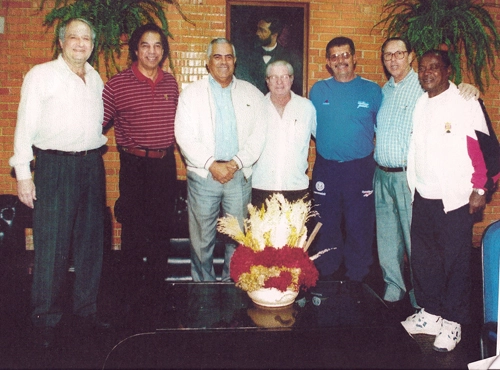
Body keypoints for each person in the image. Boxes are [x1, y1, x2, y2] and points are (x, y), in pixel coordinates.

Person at [9, 18, 109, 349]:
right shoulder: (41, 76)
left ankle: (85, 311)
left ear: (92, 44)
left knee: (90, 244)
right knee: (51, 245)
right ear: (61, 41)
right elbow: (24, 126)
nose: (80, 44)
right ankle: (44, 319)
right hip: (54, 166)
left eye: (86, 39)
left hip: (91, 165)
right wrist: (23, 173)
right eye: (73, 38)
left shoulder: (94, 78)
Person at [401, 49, 500, 352]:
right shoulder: (420, 103)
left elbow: (488, 150)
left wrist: (481, 189)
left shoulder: (465, 102)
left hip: (456, 200)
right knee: (425, 260)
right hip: (424, 197)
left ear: (447, 71)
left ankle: (453, 323)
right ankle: (430, 314)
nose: (426, 73)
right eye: (422, 68)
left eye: (434, 68)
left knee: (456, 263)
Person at [374, 37, 480, 312]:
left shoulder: (423, 89)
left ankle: (422, 301)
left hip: (413, 179)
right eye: (387, 55)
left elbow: (475, 137)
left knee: (419, 245)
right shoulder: (384, 91)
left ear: (410, 56)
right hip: (386, 175)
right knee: (389, 240)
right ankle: (395, 286)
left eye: (399, 53)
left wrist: (469, 89)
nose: (393, 59)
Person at [175, 38, 266, 282]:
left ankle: (232, 286)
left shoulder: (252, 93)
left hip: (238, 176)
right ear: (208, 62)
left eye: (228, 57)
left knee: (238, 237)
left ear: (235, 61)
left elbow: (259, 135)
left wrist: (235, 163)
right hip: (204, 176)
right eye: (217, 56)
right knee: (202, 239)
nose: (223, 62)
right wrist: (212, 165)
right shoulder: (191, 94)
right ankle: (203, 290)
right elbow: (184, 135)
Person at [102, 24, 179, 287]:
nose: (152, 51)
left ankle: (157, 295)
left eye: (158, 45)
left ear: (163, 51)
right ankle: (130, 298)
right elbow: (95, 124)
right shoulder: (116, 84)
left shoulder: (171, 83)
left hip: (165, 166)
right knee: (133, 235)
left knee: (161, 233)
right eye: (145, 45)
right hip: (134, 167)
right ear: (136, 49)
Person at [309, 36, 382, 283]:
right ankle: (326, 270)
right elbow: (312, 127)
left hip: (359, 168)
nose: (341, 61)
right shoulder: (318, 90)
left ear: (354, 57)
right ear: (328, 62)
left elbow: (380, 128)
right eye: (335, 56)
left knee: (359, 224)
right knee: (325, 222)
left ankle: (358, 274)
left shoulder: (372, 90)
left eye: (345, 55)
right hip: (326, 168)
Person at [251, 60, 316, 208]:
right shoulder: (256, 107)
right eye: (273, 77)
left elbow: (323, 138)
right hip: (262, 187)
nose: (279, 82)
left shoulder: (306, 107)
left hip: (297, 189)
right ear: (267, 81)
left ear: (292, 79)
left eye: (285, 76)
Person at [235, 15, 303, 95]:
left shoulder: (291, 58)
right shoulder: (246, 55)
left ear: (274, 35)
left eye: (262, 30)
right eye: (258, 29)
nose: (257, 33)